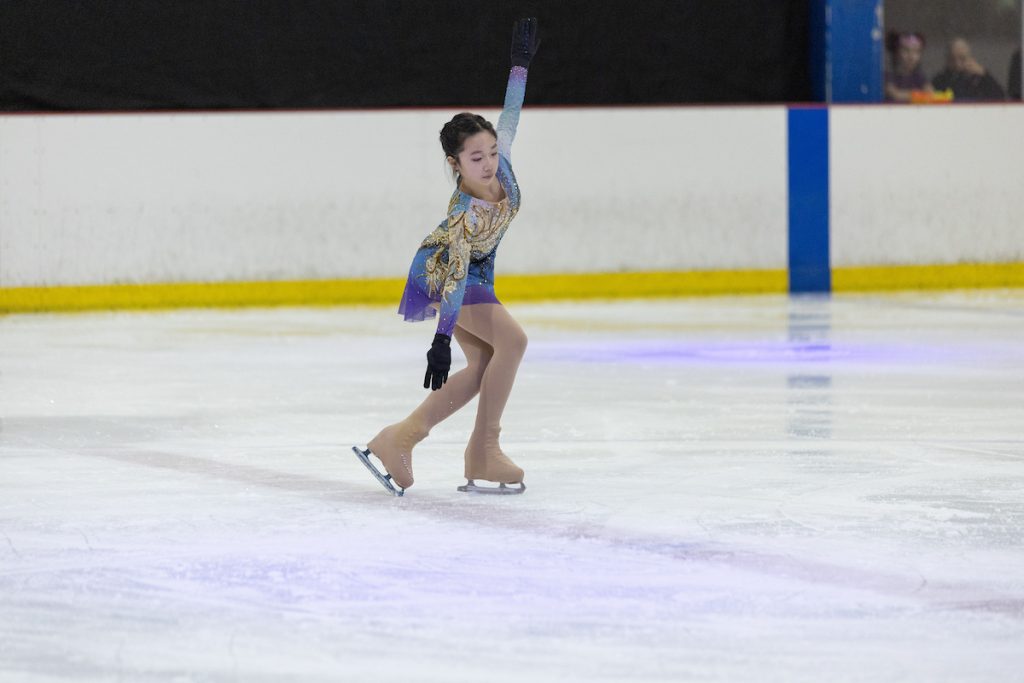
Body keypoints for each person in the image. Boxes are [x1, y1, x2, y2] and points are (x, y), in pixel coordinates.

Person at [352, 18, 540, 496]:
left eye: (492, 152)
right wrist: (440, 339)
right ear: (456, 164)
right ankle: (484, 449)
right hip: (442, 273)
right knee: (512, 344)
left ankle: (399, 438)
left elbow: (511, 114)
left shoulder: (504, 164)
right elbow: (454, 276)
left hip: (475, 274)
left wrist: (519, 65)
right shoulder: (462, 216)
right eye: (476, 158)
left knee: (483, 367)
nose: (489, 163)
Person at [932, 37, 1006, 101]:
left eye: (962, 58)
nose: (957, 64)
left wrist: (984, 75)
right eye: (952, 59)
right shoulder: (940, 80)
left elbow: (1001, 98)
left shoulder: (981, 79)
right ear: (947, 60)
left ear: (970, 58)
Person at [885, 31, 932, 103]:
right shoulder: (888, 76)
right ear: (896, 53)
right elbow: (895, 95)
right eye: (906, 50)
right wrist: (919, 95)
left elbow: (930, 94)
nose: (911, 56)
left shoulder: (919, 77)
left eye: (916, 51)